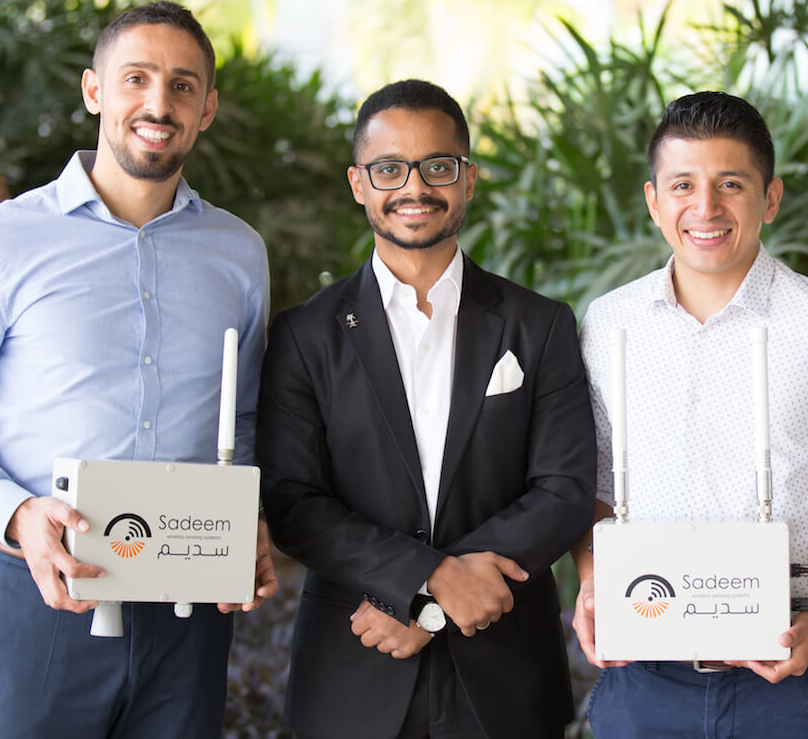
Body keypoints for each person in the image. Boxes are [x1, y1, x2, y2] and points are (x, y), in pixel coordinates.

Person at [0, 1, 277, 739]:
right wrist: (14, 513)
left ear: (207, 109)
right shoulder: (1, 241)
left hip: (188, 615)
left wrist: (245, 514)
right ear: (94, 91)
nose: (159, 104)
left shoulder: (239, 254)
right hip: (39, 601)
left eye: (183, 85)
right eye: (136, 78)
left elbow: (244, 415)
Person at [570, 91, 808, 738]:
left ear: (770, 198)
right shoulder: (609, 323)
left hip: (784, 679)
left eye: (730, 184)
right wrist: (594, 583)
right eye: (683, 185)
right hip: (643, 675)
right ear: (654, 201)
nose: (705, 208)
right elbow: (589, 481)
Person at [255, 79, 599, 739]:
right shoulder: (304, 334)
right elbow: (294, 502)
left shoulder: (539, 325)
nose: (414, 187)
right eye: (389, 169)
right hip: (355, 666)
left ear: (468, 178)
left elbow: (564, 490)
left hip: (504, 678)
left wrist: (426, 602)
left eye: (437, 166)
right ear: (359, 183)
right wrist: (428, 580)